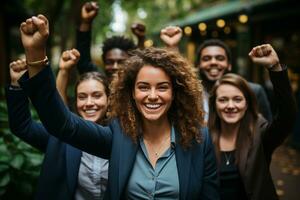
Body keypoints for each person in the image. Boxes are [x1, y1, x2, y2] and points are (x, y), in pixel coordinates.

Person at [17, 14, 219, 199]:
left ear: (175, 93)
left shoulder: (199, 140)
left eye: (163, 87)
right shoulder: (118, 136)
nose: (152, 96)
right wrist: (35, 54)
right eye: (143, 87)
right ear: (132, 93)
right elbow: (61, 123)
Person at [6, 51, 110, 199]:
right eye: (82, 97)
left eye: (97, 95)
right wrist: (17, 85)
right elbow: (22, 126)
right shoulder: (60, 136)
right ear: (76, 102)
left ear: (109, 100)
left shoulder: (121, 136)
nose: (89, 103)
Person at [208, 44, 297, 199]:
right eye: (223, 100)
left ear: (247, 103)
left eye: (237, 99)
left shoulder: (260, 135)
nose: (230, 106)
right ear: (214, 105)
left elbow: (287, 117)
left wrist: (275, 68)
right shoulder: (204, 137)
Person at [195, 39, 272, 122]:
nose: (213, 62)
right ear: (198, 65)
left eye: (220, 58)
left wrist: (274, 67)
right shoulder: (190, 95)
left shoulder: (253, 91)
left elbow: (269, 129)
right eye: (206, 59)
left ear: (229, 65)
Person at [77, 1, 138, 79]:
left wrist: (141, 39)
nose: (115, 67)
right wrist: (86, 22)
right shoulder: (99, 81)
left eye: (121, 62)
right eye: (109, 62)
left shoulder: (137, 86)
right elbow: (83, 63)